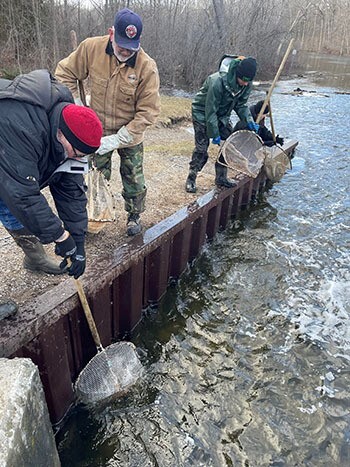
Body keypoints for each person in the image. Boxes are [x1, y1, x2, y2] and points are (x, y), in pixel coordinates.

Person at [55, 8, 161, 236]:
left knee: (134, 176)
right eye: (121, 46)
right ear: (111, 33)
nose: (125, 52)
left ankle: (134, 216)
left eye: (131, 49)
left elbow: (148, 112)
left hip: (130, 132)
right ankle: (95, 215)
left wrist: (118, 139)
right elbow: (64, 73)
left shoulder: (147, 67)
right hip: (96, 129)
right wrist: (76, 106)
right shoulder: (91, 48)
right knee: (95, 176)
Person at [0, 69, 103, 288]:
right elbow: (24, 195)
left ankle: (34, 259)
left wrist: (78, 241)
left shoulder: (66, 131)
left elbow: (71, 190)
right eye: (76, 153)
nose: (77, 158)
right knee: (12, 197)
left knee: (10, 208)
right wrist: (60, 236)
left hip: (9, 163)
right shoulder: (20, 124)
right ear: (60, 134)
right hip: (6, 143)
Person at [185, 56, 259, 193]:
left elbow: (241, 105)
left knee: (228, 146)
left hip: (222, 116)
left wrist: (249, 121)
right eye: (243, 80)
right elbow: (210, 111)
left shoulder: (245, 85)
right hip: (202, 113)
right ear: (237, 73)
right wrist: (214, 134)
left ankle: (221, 177)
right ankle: (191, 178)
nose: (244, 83)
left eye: (248, 81)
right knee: (201, 149)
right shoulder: (217, 82)